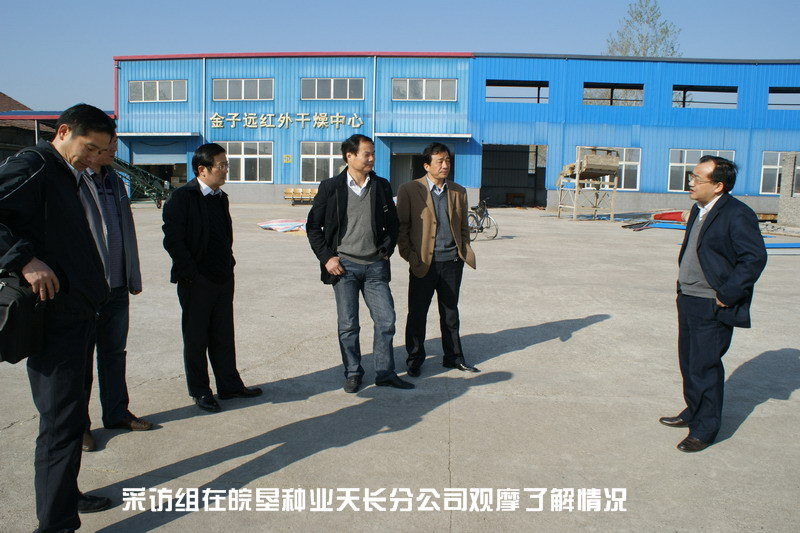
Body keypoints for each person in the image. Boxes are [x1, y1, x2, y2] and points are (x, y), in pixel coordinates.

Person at [0, 103, 116, 531]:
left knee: (72, 417)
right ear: (63, 131)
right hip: (55, 318)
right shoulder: (34, 165)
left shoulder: (69, 173)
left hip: (80, 312)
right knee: (60, 423)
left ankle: (66, 495)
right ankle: (55, 524)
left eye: (102, 151)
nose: (95, 158)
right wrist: (23, 259)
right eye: (90, 148)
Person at [659, 155, 767, 452]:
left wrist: (728, 294)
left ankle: (705, 429)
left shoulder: (737, 214)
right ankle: (694, 410)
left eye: (697, 178)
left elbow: (754, 258)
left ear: (718, 185)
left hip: (712, 303)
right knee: (689, 362)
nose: (690, 183)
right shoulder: (700, 209)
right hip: (689, 298)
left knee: (705, 367)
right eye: (691, 176)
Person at [307, 134, 414, 393]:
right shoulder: (331, 187)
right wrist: (327, 258)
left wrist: (385, 250)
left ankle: (385, 373)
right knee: (348, 325)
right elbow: (313, 226)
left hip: (375, 266)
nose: (372, 158)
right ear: (350, 156)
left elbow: (393, 224)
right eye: (367, 154)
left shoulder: (381, 186)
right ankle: (353, 372)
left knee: (386, 320)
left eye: (373, 153)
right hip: (344, 267)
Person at [162, 143, 262, 413]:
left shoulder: (220, 197)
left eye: (226, 164)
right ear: (202, 169)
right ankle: (200, 391)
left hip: (222, 277)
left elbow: (224, 236)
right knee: (196, 338)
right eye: (222, 165)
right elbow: (173, 241)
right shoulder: (182, 198)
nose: (226, 170)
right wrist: (191, 273)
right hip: (196, 280)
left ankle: (229, 385)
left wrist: (229, 264)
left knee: (223, 334)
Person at [80, 135, 152, 453]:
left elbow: (127, 232)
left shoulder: (116, 182)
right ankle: (79, 426)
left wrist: (132, 274)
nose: (113, 149)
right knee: (80, 359)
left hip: (118, 285)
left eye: (113, 143)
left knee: (114, 354)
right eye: (107, 144)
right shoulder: (74, 181)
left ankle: (116, 412)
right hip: (86, 290)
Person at [395, 142, 478, 377]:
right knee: (417, 314)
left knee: (450, 314)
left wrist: (463, 250)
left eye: (448, 161)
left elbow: (463, 227)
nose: (445, 165)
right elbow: (402, 228)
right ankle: (414, 359)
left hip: (452, 262)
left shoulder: (458, 191)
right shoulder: (409, 190)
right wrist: (411, 257)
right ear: (426, 165)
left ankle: (454, 357)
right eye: (440, 161)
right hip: (423, 263)